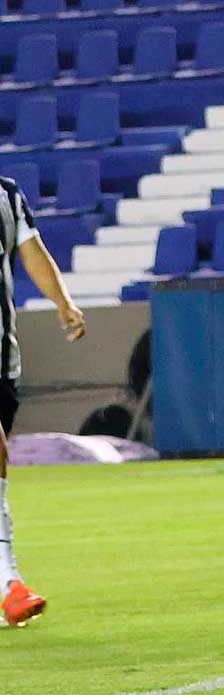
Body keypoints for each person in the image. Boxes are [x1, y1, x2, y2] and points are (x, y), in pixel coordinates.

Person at [0, 175, 85, 627]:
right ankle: (8, 583)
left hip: (2, 359)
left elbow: (31, 250)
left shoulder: (6, 195)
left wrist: (63, 302)